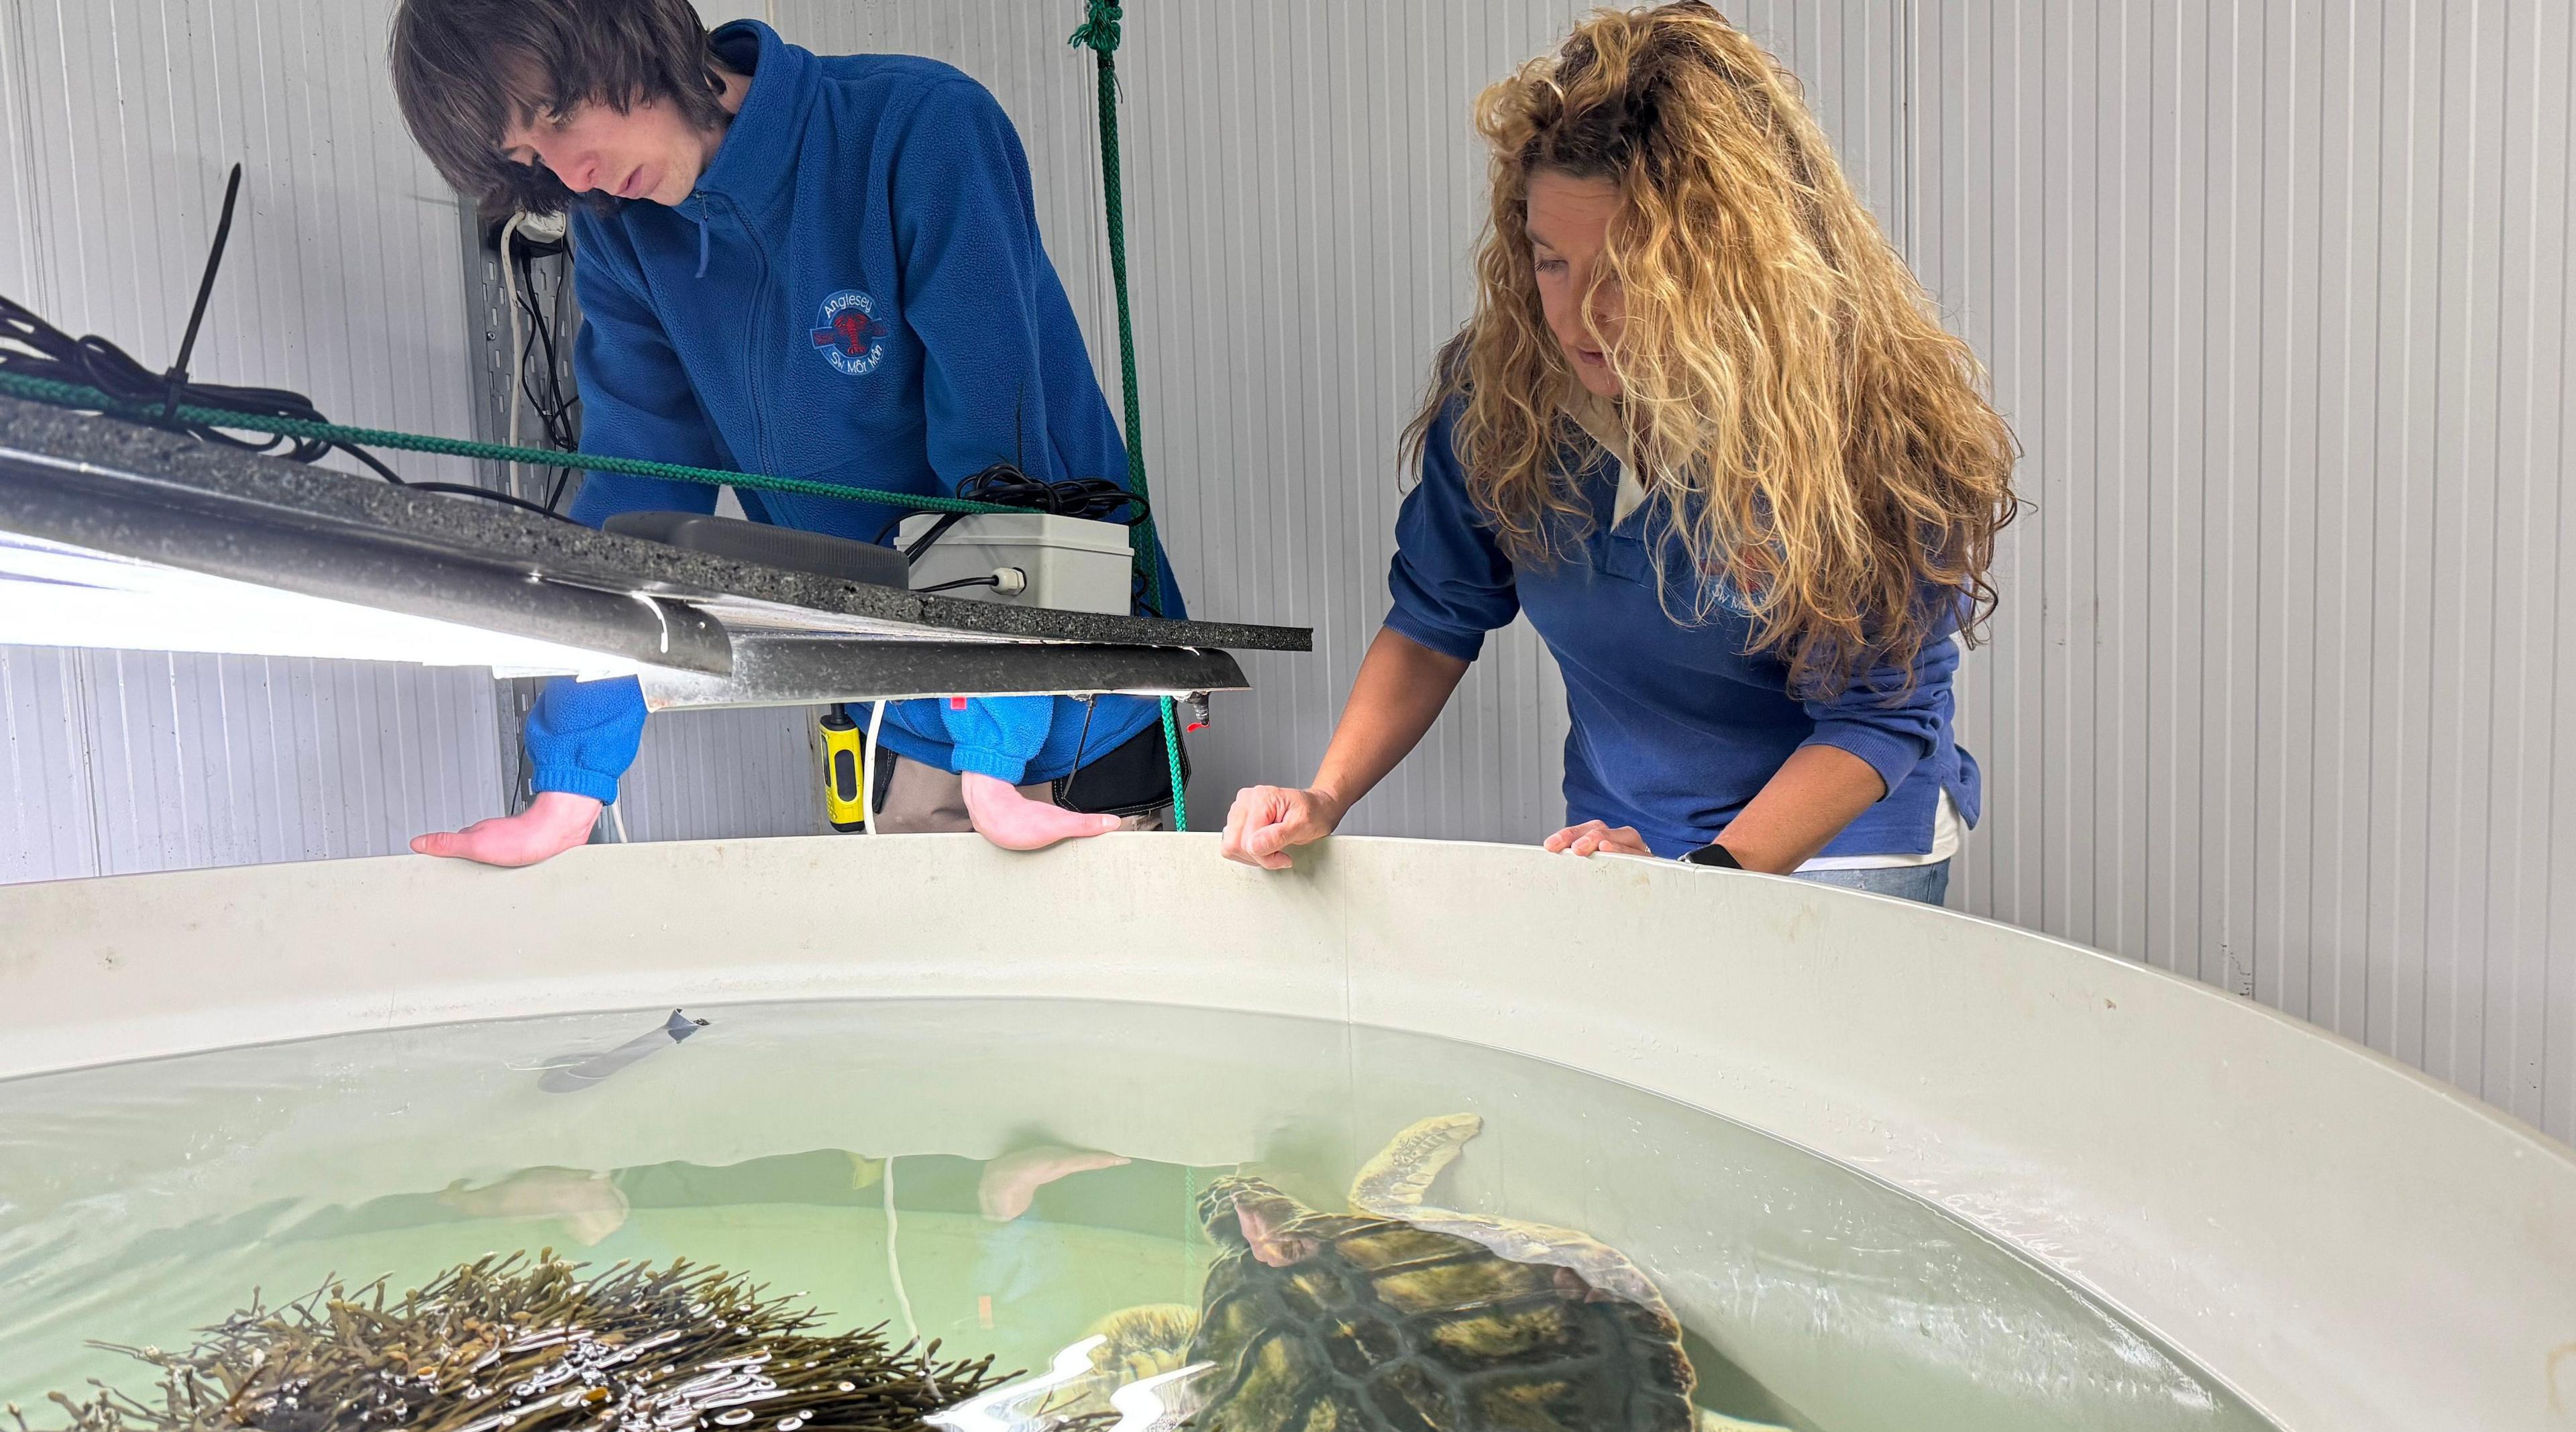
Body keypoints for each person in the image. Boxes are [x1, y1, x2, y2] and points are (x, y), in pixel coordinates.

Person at [1220, 1, 2016, 903]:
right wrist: (1324, 795)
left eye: (1628, 277)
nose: (1576, 319)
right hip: (1625, 834)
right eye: (1551, 262)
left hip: (1841, 841)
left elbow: (1880, 717)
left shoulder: (1864, 422)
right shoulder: (1508, 398)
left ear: (1731, 264)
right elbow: (1437, 619)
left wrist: (1702, 883)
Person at [386, 0, 1185, 866]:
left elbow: (1000, 461)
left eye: (559, 118)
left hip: (1074, 709)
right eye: (529, 158)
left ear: (622, 31)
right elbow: (635, 495)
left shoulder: (917, 131)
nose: (572, 175)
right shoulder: (620, 238)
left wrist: (995, 754)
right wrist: (572, 781)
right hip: (897, 713)